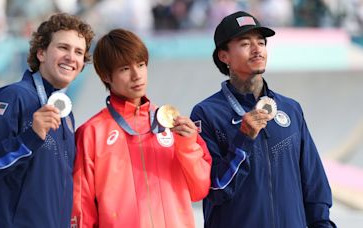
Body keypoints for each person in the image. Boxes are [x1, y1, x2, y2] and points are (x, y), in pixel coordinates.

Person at [190, 11, 336, 228]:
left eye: (261, 42)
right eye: (245, 43)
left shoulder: (290, 109)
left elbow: (314, 182)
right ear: (224, 56)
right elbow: (215, 190)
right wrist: (243, 140)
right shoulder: (206, 114)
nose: (257, 49)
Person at [70, 28, 212, 227]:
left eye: (141, 64)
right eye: (125, 69)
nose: (137, 75)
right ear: (106, 76)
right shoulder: (91, 133)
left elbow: (200, 190)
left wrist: (187, 146)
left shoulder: (172, 124)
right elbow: (81, 206)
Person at [0, 13, 94, 227]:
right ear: (41, 53)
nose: (72, 57)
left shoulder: (66, 114)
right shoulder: (13, 97)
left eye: (79, 52)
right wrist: (28, 138)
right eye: (63, 47)